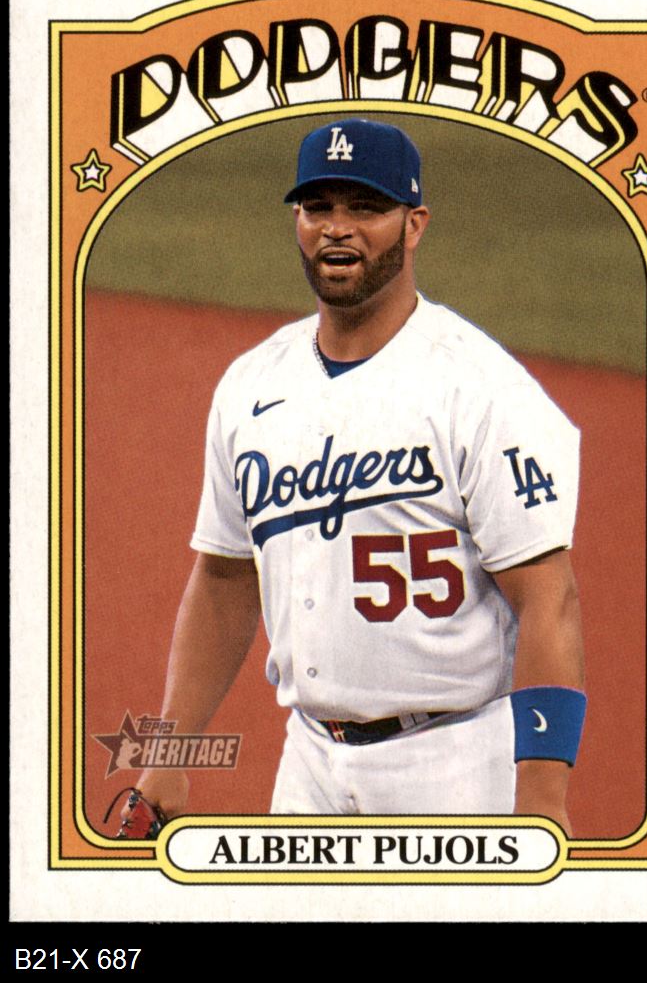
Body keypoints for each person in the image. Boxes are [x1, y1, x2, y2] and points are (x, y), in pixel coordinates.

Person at [136, 118, 586, 832]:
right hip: (309, 762)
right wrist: (168, 754)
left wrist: (540, 801)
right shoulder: (252, 384)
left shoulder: (481, 389)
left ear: (414, 225)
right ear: (296, 221)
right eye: (318, 207)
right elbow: (223, 581)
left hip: (456, 764)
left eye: (366, 207)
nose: (337, 229)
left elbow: (548, 601)